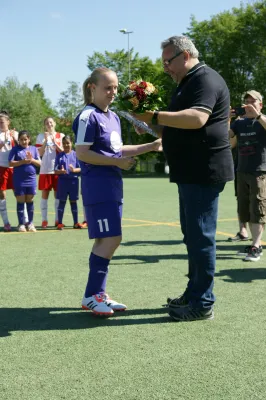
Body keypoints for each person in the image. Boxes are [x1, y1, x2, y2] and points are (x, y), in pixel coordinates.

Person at [133, 36, 234, 321]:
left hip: (203, 170)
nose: (166, 68)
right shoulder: (187, 83)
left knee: (200, 238)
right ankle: (194, 293)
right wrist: (150, 124)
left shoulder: (204, 79)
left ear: (185, 55)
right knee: (193, 237)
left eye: (168, 61)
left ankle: (202, 303)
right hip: (191, 171)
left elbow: (196, 119)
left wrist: (154, 115)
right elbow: (172, 130)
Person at [73, 67, 162, 317]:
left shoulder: (112, 117)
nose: (113, 92)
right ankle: (92, 295)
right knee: (111, 239)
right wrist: (116, 163)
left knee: (109, 239)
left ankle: (98, 294)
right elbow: (82, 153)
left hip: (112, 186)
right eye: (107, 87)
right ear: (92, 87)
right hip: (97, 187)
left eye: (115, 87)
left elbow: (118, 150)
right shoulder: (87, 116)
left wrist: (151, 146)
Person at [229, 90, 266, 261]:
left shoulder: (262, 120)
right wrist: (225, 118)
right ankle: (252, 243)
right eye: (247, 101)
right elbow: (226, 139)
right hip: (241, 171)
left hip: (260, 171)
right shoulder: (239, 123)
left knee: (257, 209)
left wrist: (257, 116)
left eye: (253, 101)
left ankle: (257, 246)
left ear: (261, 104)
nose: (249, 104)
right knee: (244, 210)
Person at [8, 130, 41, 232]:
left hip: (31, 179)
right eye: (21, 140)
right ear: (19, 140)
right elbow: (10, 163)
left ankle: (30, 223)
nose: (24, 141)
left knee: (30, 200)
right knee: (21, 201)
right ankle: (21, 224)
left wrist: (32, 160)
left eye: (25, 139)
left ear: (29, 139)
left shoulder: (34, 149)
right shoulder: (15, 150)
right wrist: (23, 161)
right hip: (19, 180)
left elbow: (40, 163)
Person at [36, 117, 64, 228]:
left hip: (57, 170)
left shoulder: (60, 136)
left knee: (57, 196)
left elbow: (63, 152)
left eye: (51, 122)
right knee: (44, 195)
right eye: (47, 123)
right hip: (45, 170)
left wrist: (54, 142)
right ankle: (44, 220)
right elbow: (39, 153)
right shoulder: (41, 136)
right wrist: (46, 141)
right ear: (45, 125)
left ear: (55, 124)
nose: (49, 124)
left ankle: (57, 220)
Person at [54, 135, 82, 230]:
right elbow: (55, 170)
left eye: (68, 143)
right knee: (62, 202)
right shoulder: (59, 156)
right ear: (62, 144)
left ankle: (75, 222)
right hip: (62, 182)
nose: (66, 145)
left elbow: (81, 168)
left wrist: (74, 170)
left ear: (72, 143)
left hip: (73, 182)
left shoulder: (76, 155)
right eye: (64, 143)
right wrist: (60, 171)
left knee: (73, 202)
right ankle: (60, 223)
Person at [0, 111, 19, 231]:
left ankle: (23, 221)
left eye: (2, 121)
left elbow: (21, 148)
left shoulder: (15, 133)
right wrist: (3, 142)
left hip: (14, 167)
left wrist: (12, 138)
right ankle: (6, 222)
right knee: (2, 195)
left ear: (8, 122)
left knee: (19, 194)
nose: (0, 124)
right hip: (1, 167)